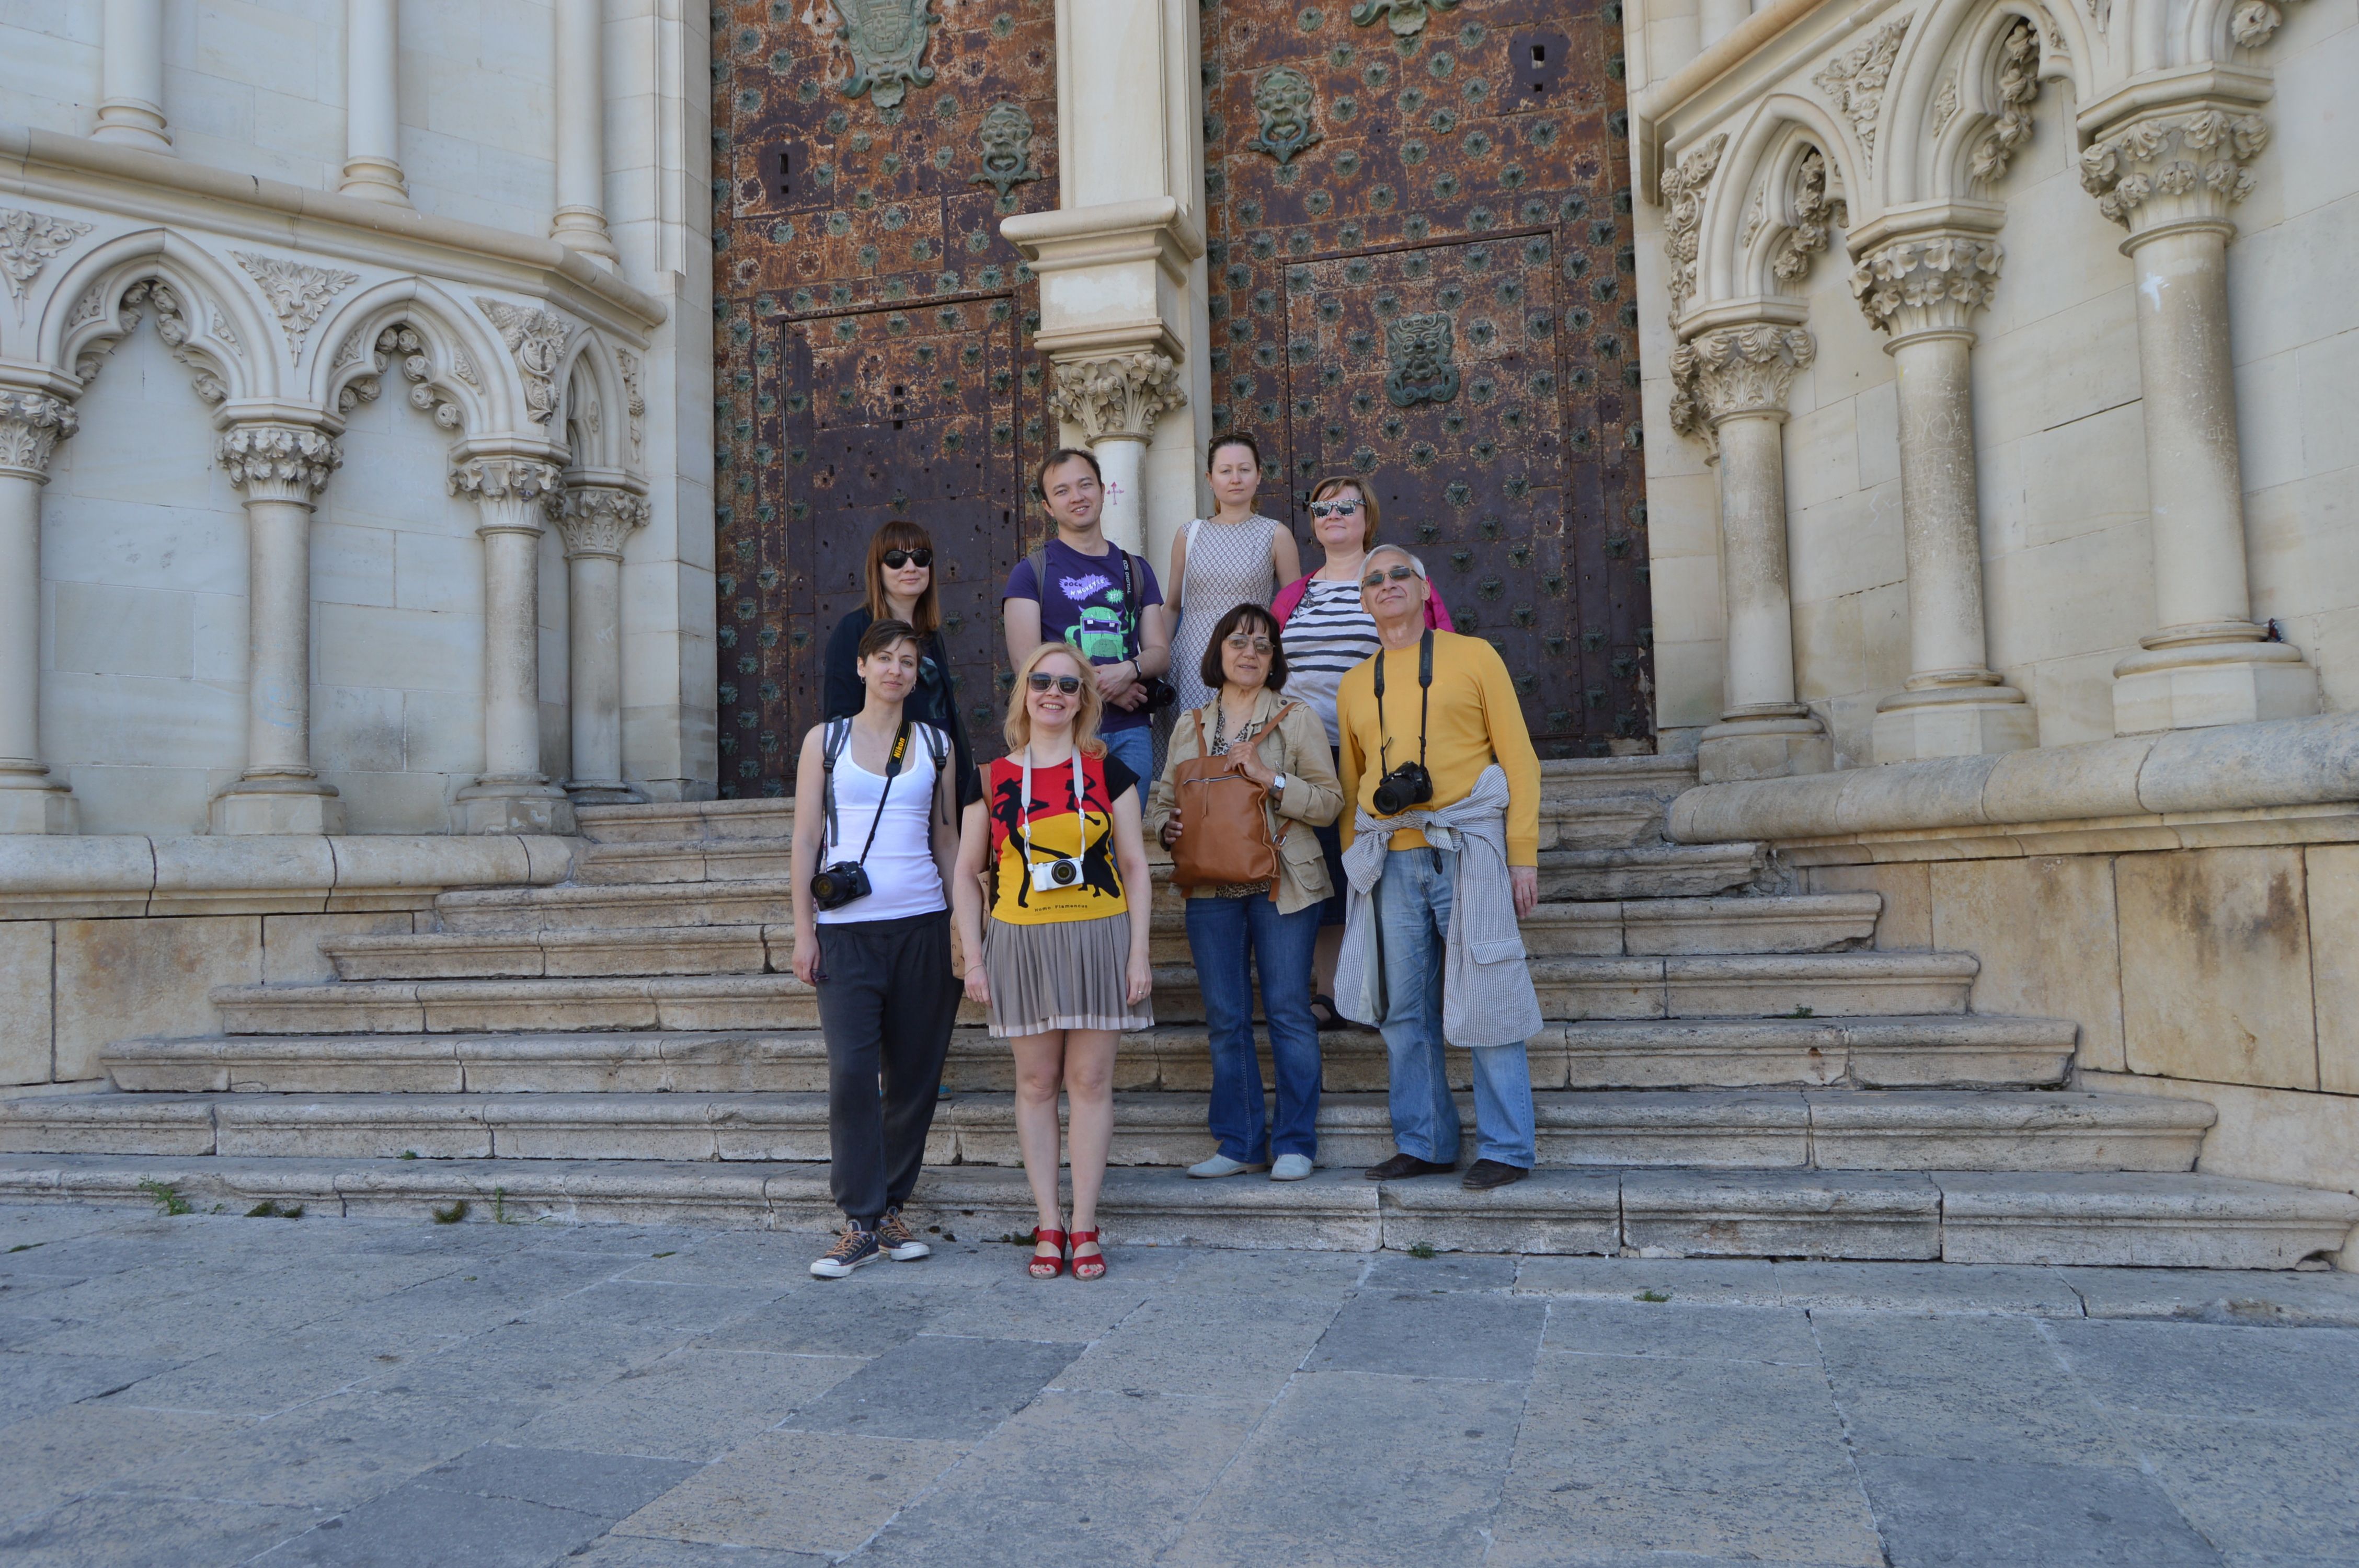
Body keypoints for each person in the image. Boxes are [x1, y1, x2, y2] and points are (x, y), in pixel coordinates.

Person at [1332, 544, 1544, 1192]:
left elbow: (1519, 760)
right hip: (1389, 856)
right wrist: (1354, 870)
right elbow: (1351, 784)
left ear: (1425, 590)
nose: (1387, 584)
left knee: (1488, 995)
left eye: (1401, 574)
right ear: (1363, 599)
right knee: (1401, 1010)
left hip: (1470, 848)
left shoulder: (1475, 656)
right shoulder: (1353, 682)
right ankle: (1425, 1142)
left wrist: (1522, 855)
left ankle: (1507, 1147)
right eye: (1374, 579)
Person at [952, 639, 1154, 1282]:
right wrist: (975, 957)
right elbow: (965, 874)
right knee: (1037, 1085)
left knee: (1090, 1084)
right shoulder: (991, 778)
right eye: (1042, 682)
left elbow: (1134, 868)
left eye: (1069, 685)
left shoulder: (1107, 772)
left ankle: (1086, 1224)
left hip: (1099, 934)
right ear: (1024, 692)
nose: (1054, 694)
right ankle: (1048, 1222)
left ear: (1084, 700)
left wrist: (1139, 952)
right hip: (1020, 939)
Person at [788, 620, 965, 1277]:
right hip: (847, 935)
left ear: (918, 674)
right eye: (884, 658)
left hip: (921, 924)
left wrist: (958, 928)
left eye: (908, 661)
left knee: (915, 1079)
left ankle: (890, 1208)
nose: (896, 669)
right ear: (861, 667)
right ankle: (858, 1221)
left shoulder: (936, 745)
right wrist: (804, 929)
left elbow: (947, 842)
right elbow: (807, 840)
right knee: (854, 1075)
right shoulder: (824, 741)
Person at [1145, 603, 1342, 1182]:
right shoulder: (1191, 724)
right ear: (1218, 654)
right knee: (1227, 1017)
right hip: (1210, 884)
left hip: (1284, 880)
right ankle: (1240, 1142)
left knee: (1287, 1011)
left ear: (1274, 658)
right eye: (1238, 642)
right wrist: (1166, 827)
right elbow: (1163, 801)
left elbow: (1330, 803)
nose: (1250, 653)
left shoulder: (1297, 718)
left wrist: (1271, 779)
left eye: (1262, 645)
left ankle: (1294, 1144)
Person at [1269, 477, 1456, 1030]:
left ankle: (1393, 987)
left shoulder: (1396, 578)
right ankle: (1334, 993)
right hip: (1305, 755)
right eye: (1322, 507)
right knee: (1323, 873)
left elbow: (1437, 649)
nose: (1333, 515)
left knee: (1378, 870)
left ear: (1366, 515)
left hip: (1379, 751)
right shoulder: (1293, 594)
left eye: (1346, 506)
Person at [1002, 448, 1173, 787]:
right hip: (1063, 735)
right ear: (1049, 507)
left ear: (1103, 490)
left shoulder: (1136, 569)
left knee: (1127, 841)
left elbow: (1159, 653)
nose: (1077, 497)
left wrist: (1130, 670)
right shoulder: (1030, 573)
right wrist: (1103, 689)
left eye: (1085, 485)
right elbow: (1027, 666)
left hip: (1130, 735)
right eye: (1062, 491)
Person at [821, 519, 980, 810]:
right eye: (896, 560)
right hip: (893, 785)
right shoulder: (854, 629)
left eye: (921, 557)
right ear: (878, 570)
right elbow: (839, 719)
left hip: (941, 777)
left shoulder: (930, 635)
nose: (911, 567)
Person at [1165, 433, 1301, 715]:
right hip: (1192, 661)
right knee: (1195, 750)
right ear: (1210, 478)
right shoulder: (1189, 534)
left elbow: (1293, 611)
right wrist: (1159, 661)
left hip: (1249, 659)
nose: (1235, 479)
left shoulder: (1276, 534)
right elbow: (1172, 607)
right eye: (1225, 471)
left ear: (1259, 475)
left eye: (1244, 469)